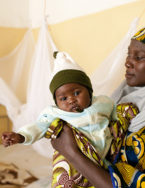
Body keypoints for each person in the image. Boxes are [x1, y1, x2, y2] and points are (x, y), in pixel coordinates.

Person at [2, 52, 138, 187]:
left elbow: (114, 116)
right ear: (56, 102)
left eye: (76, 93)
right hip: (76, 158)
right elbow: (39, 126)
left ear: (89, 92)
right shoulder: (54, 113)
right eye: (63, 98)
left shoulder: (103, 103)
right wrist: (20, 136)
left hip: (105, 156)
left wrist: (119, 124)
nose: (72, 99)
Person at [51, 27, 145, 188]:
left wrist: (71, 152)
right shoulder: (120, 97)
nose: (127, 62)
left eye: (139, 57)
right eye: (128, 55)